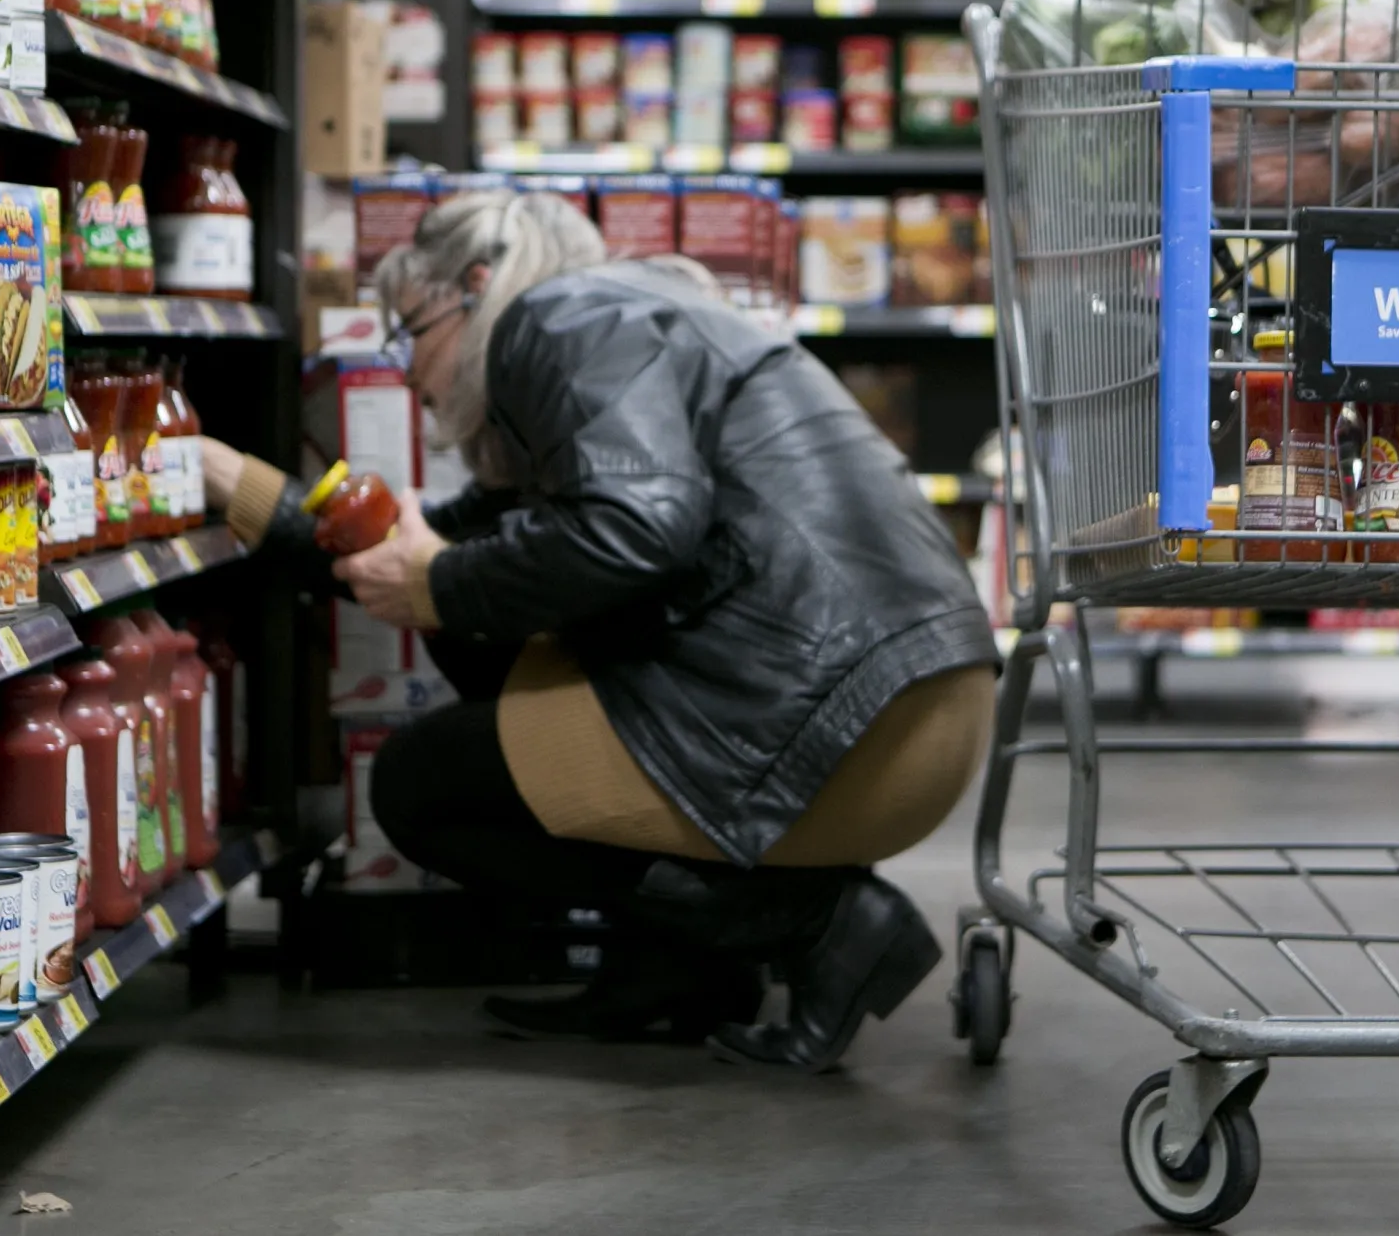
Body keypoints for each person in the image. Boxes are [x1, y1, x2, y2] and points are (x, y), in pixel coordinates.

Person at [202, 191, 996, 1071]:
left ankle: (815, 919)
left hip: (849, 720)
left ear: (477, 286)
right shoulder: (628, 324)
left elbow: (635, 529)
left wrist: (439, 581)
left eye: (409, 331)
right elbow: (442, 551)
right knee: (478, 622)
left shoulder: (555, 322)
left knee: (423, 786)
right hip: (908, 693)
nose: (410, 374)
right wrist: (230, 480)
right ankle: (680, 971)